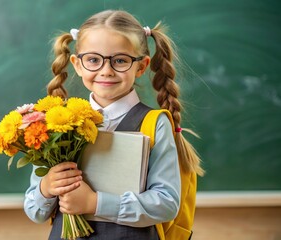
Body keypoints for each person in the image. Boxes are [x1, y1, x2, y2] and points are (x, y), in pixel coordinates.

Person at [24, 10, 204, 239]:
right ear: (77, 65)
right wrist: (46, 188)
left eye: (120, 60)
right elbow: (35, 212)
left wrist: (95, 203)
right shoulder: (56, 124)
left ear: (141, 66)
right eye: (93, 60)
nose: (106, 71)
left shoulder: (154, 124)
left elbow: (167, 203)